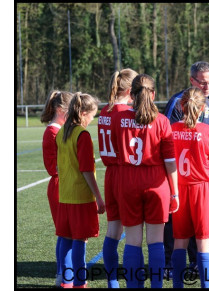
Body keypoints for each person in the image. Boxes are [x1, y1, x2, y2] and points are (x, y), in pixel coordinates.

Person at [163, 61, 209, 274]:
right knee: (175, 221)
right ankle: (169, 264)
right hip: (180, 176)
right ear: (191, 80)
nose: (207, 87)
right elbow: (169, 138)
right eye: (202, 83)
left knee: (196, 223)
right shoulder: (178, 102)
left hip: (198, 172)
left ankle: (194, 263)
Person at [110, 74, 179, 288]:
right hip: (156, 182)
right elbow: (169, 162)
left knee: (132, 240)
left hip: (128, 180)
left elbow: (115, 149)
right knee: (156, 241)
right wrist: (174, 193)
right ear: (154, 94)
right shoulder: (162, 121)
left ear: (131, 94)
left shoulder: (117, 118)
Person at [170, 87, 209, 288]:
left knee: (179, 242)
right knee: (203, 243)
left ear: (181, 105)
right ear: (202, 109)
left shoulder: (172, 130)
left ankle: (177, 285)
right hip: (202, 189)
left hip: (179, 189)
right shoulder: (207, 131)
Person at [55, 92, 106, 288]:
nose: (93, 119)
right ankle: (79, 282)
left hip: (65, 195)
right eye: (92, 115)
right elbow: (86, 170)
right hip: (80, 197)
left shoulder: (62, 132)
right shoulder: (82, 135)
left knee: (66, 239)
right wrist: (99, 198)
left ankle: (65, 281)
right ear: (83, 113)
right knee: (79, 240)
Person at [97, 68, 138, 288]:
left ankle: (113, 282)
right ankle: (133, 281)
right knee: (134, 233)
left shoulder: (105, 110)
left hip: (110, 174)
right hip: (126, 173)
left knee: (113, 230)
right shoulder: (127, 114)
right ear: (132, 90)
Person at [40, 90, 73, 286]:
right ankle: (65, 276)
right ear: (60, 110)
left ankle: (62, 275)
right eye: (70, 112)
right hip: (61, 185)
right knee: (67, 233)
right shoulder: (54, 132)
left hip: (61, 184)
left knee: (64, 233)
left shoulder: (55, 130)